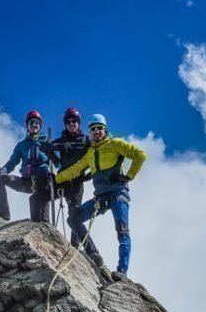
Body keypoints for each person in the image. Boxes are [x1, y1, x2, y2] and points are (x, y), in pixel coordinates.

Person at [55, 113, 147, 281]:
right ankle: (93, 253)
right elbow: (76, 169)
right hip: (100, 198)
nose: (96, 132)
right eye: (93, 129)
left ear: (105, 129)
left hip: (119, 194)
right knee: (73, 219)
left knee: (122, 231)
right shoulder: (90, 153)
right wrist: (56, 178)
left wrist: (128, 176)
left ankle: (122, 272)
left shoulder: (115, 144)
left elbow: (140, 154)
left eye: (99, 128)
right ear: (90, 131)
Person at [42, 107, 107, 270]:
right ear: (65, 124)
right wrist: (49, 151)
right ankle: (42, 226)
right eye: (69, 121)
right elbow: (55, 160)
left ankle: (86, 250)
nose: (72, 123)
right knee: (39, 197)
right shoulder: (60, 141)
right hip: (62, 180)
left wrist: (89, 175)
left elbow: (95, 156)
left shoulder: (86, 140)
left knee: (74, 216)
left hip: (76, 183)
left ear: (79, 123)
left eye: (75, 121)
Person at [0, 110, 54, 223]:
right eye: (32, 122)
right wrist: (3, 170)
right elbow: (12, 162)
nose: (34, 125)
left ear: (40, 125)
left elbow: (57, 163)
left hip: (43, 183)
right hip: (26, 182)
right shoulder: (21, 145)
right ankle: (3, 210)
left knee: (40, 220)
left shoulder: (47, 142)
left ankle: (46, 230)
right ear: (28, 126)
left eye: (36, 122)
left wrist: (52, 152)